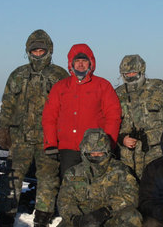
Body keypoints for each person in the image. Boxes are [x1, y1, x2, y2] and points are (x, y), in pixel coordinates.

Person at [0, 29, 68, 227]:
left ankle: (42, 219)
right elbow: (8, 103)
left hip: (49, 137)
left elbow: (69, 106)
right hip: (20, 138)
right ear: (28, 51)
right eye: (34, 50)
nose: (38, 53)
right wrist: (3, 128)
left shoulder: (59, 75)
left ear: (49, 50)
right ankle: (6, 218)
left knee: (48, 178)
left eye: (41, 49)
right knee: (12, 177)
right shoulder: (17, 74)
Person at [51, 128, 142, 227]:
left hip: (113, 222)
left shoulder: (121, 170)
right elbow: (64, 201)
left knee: (133, 217)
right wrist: (78, 220)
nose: (96, 157)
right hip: (86, 223)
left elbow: (132, 196)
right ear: (84, 152)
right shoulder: (73, 173)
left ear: (108, 152)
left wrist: (106, 211)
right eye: (91, 154)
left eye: (100, 153)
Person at [42, 43, 122, 179]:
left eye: (84, 61)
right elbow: (49, 116)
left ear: (91, 63)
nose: (80, 64)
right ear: (71, 64)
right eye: (77, 61)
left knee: (97, 187)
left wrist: (109, 144)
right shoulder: (60, 87)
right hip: (68, 149)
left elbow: (113, 116)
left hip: (96, 150)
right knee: (70, 187)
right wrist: (50, 144)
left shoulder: (103, 86)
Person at [115, 54, 163, 179]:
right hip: (128, 154)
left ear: (141, 70)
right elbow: (111, 121)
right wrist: (121, 138)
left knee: (156, 186)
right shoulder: (118, 93)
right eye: (127, 74)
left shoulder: (157, 87)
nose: (130, 76)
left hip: (155, 151)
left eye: (134, 72)